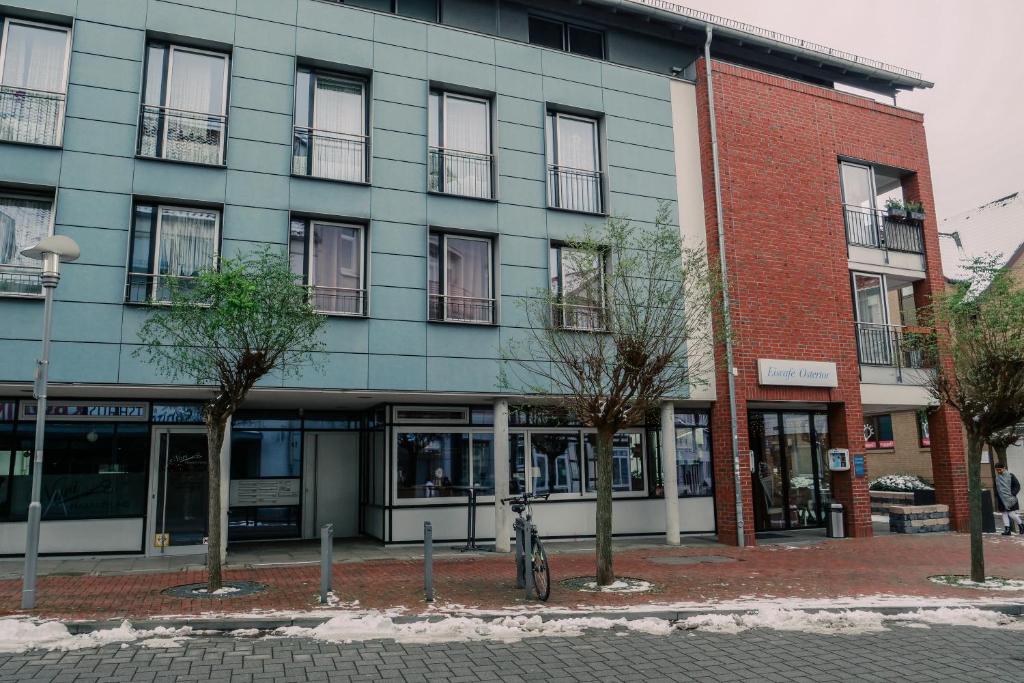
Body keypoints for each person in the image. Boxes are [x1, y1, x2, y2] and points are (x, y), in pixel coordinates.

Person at [993, 462, 1023, 536]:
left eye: (1000, 469)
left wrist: (1012, 494)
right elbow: (996, 487)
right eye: (997, 470)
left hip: (1010, 498)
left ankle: (1021, 525)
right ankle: (1007, 529)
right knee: (1004, 513)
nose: (999, 471)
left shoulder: (1010, 476)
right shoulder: (997, 478)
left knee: (1011, 514)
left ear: (1004, 468)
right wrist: (997, 495)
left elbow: (1017, 485)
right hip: (1001, 498)